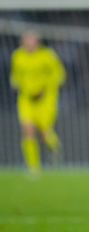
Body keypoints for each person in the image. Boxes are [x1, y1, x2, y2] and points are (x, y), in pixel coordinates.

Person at [10, 30, 65, 176]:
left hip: (45, 100)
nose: (28, 43)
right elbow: (15, 77)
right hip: (26, 99)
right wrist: (17, 85)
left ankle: (53, 145)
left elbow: (60, 75)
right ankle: (33, 168)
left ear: (37, 41)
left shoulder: (47, 55)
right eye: (25, 40)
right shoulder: (17, 56)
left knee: (43, 131)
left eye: (31, 40)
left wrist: (44, 89)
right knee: (27, 130)